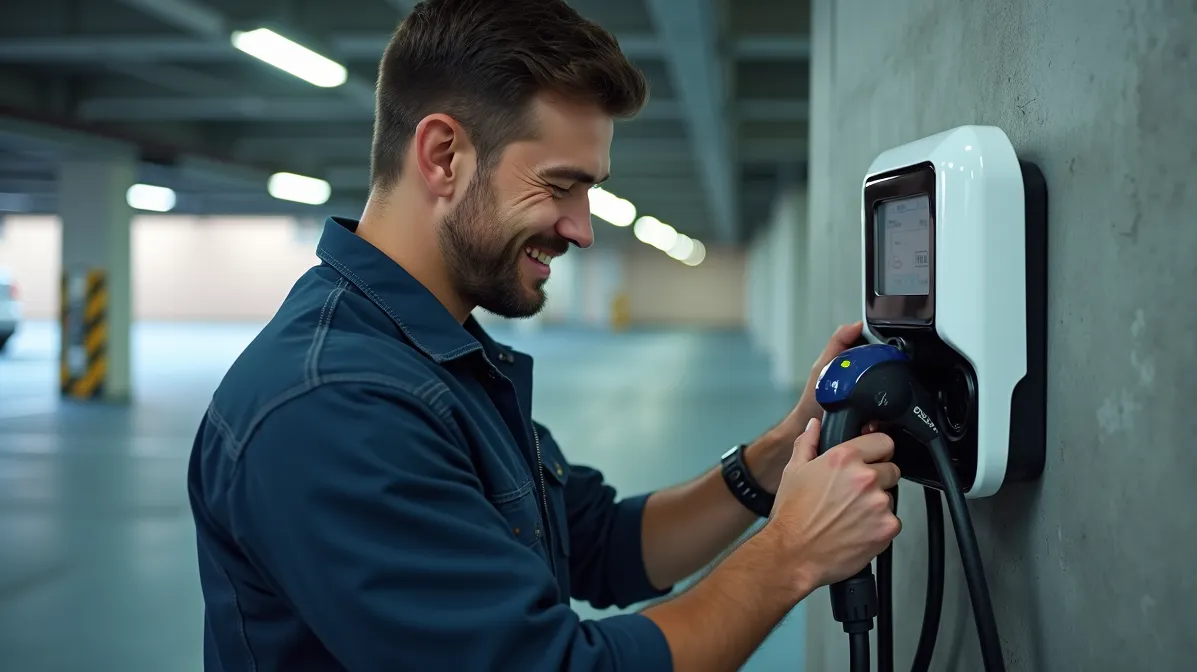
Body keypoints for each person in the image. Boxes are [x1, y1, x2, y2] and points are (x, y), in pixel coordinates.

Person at [186, 1, 903, 670]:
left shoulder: (436, 357)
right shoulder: (335, 407)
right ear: (442, 155)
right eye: (560, 186)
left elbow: (602, 546)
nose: (584, 229)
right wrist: (789, 557)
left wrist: (778, 454)